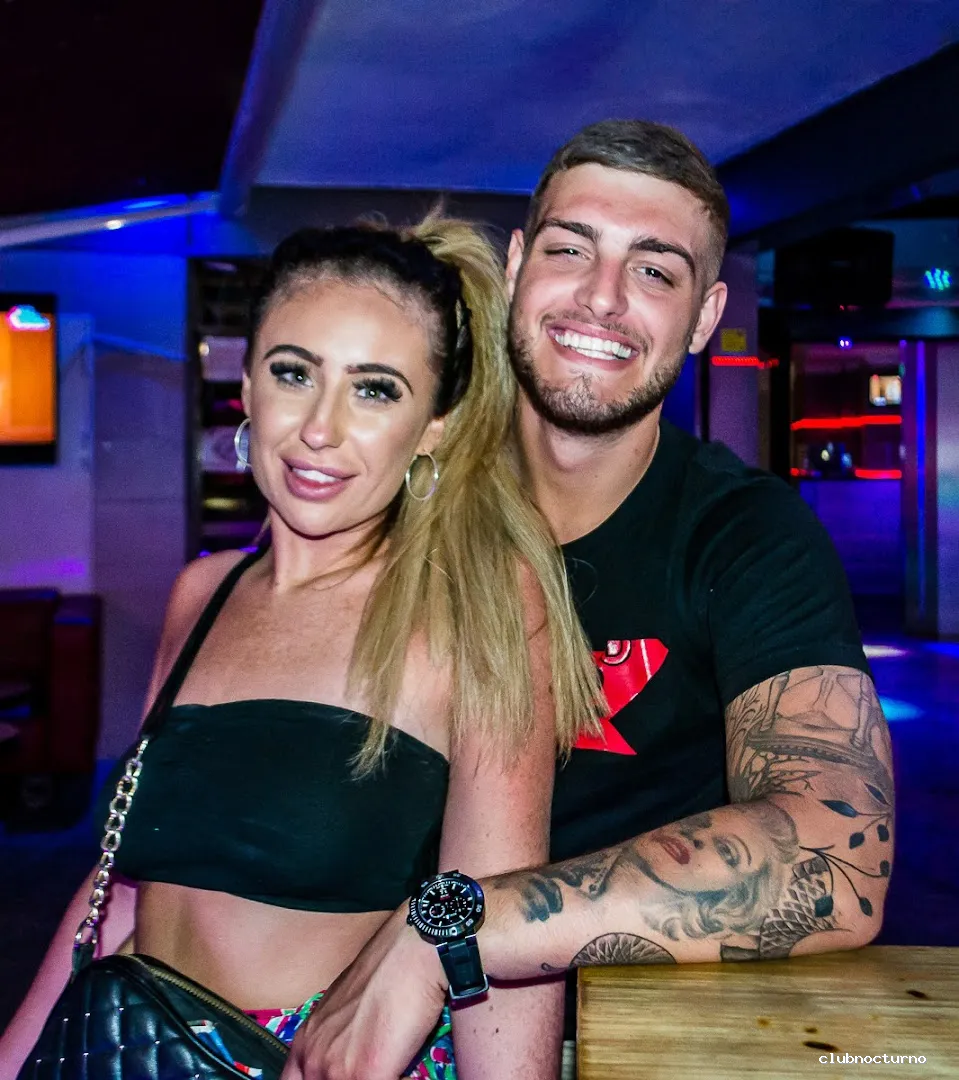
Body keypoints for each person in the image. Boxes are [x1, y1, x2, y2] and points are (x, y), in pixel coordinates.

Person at [282, 121, 895, 1080]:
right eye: (570, 250)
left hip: (631, 1043)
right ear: (517, 265)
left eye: (653, 271)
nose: (601, 298)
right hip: (339, 1027)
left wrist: (449, 931)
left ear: (705, 316)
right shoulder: (398, 494)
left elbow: (838, 860)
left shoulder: (744, 534)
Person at [0, 214, 605, 1080]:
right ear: (247, 385)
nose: (321, 428)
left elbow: (494, 919)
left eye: (375, 390)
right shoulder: (202, 594)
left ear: (433, 426)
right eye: (295, 373)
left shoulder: (477, 604)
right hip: (132, 1043)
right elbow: (122, 883)